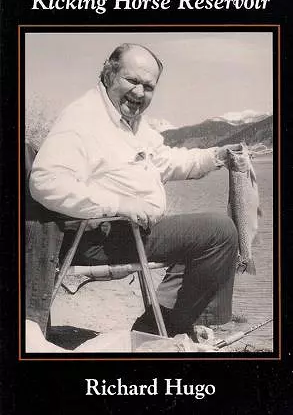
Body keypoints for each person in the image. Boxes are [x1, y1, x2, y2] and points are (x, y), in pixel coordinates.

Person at [26, 43, 240, 352]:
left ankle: (155, 327)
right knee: (219, 232)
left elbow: (164, 160)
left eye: (148, 86)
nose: (139, 92)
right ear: (109, 74)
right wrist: (120, 204)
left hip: (132, 232)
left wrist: (215, 156)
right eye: (133, 81)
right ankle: (174, 328)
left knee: (207, 237)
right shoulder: (82, 120)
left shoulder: (127, 121)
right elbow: (46, 182)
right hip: (100, 237)